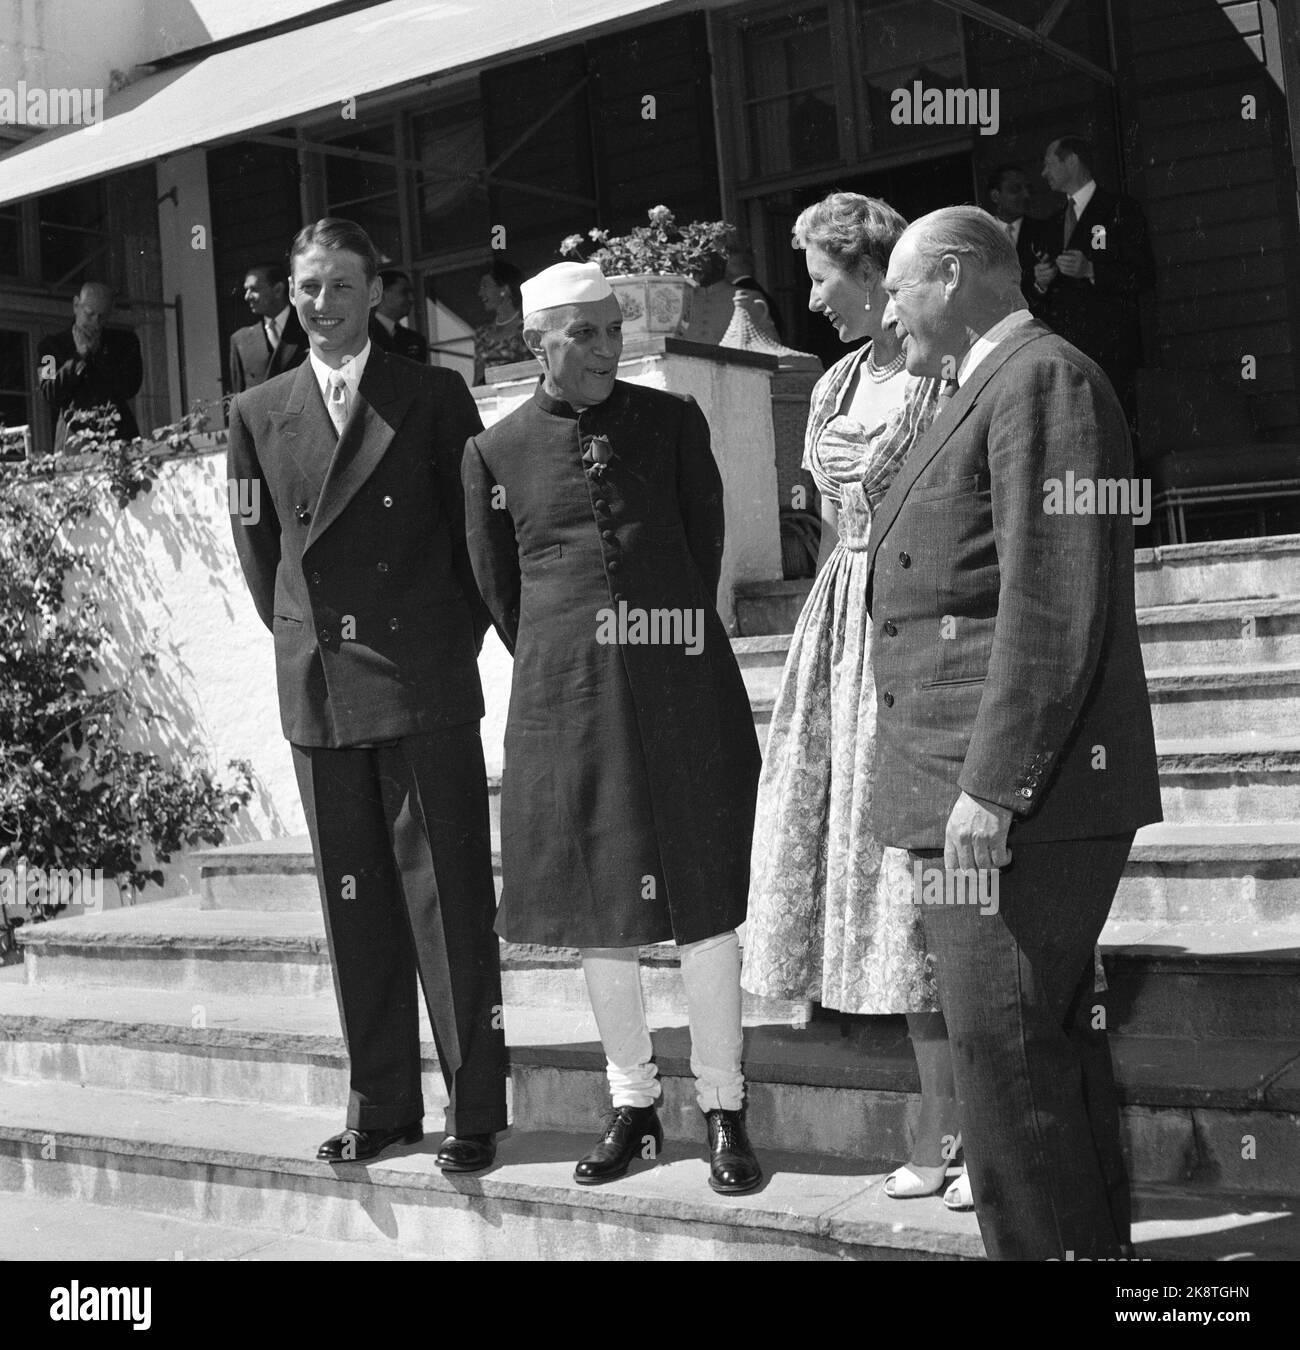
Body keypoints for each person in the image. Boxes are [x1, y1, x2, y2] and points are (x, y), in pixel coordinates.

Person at [874, 205, 1163, 1260]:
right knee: (1030, 1049)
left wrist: (993, 789)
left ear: (953, 275)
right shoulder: (973, 383)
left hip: (1010, 797)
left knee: (1003, 1055)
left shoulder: (1040, 378)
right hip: (968, 781)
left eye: (901, 288)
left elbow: (1053, 598)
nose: (889, 309)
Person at [462, 261, 763, 1195]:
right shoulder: (494, 454)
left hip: (682, 688)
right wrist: (573, 662)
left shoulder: (671, 422)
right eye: (582, 333)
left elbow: (700, 539)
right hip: (572, 704)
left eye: (611, 328)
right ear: (535, 343)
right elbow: (499, 592)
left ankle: (725, 1107)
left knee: (706, 900)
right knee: (604, 912)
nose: (605, 348)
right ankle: (632, 1105)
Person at [226, 218, 507, 1174]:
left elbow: (477, 543)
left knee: (450, 899)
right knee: (355, 908)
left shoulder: (432, 394)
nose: (319, 304)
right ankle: (381, 1103)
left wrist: (444, 643)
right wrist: (310, 642)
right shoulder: (257, 410)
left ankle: (473, 1108)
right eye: (306, 286)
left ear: (376, 292)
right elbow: (260, 555)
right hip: (323, 689)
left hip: (421, 678)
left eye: (341, 286)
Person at [740, 193, 966, 1207]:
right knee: (876, 893)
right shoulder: (834, 379)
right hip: (843, 627)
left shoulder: (943, 368)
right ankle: (940, 1121)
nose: (812, 296)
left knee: (931, 894)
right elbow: (834, 533)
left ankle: (968, 1126)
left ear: (874, 274)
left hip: (921, 623)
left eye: (822, 277)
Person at [1034, 135, 1156, 438]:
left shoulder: (1119, 209)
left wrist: (1091, 269)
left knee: (1116, 432)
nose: (1043, 173)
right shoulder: (1051, 223)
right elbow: (1036, 291)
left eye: (1049, 164)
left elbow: (1144, 275)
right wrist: (1040, 280)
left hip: (1111, 351)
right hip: (1066, 352)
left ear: (1072, 160)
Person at [37, 282, 142, 453]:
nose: (95, 323)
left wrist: (99, 354)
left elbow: (130, 387)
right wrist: (79, 357)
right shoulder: (49, 347)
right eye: (89, 314)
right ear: (76, 305)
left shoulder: (125, 342)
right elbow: (49, 391)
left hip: (118, 433)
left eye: (102, 317)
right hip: (74, 436)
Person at [228, 262, 308, 395]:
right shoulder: (240, 340)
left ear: (278, 290)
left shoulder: (307, 326)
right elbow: (238, 399)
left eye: (254, 289)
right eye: (246, 290)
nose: (247, 297)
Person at [985, 164, 1053, 308]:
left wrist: (1041, 285)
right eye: (1015, 189)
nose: (1026, 195)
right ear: (995, 196)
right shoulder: (982, 235)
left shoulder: (1045, 231)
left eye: (1027, 188)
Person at [472, 258, 530, 385]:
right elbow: (477, 380)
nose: (480, 293)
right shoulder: (482, 334)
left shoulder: (527, 328)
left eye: (485, 286)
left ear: (505, 289)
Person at [368, 267, 429, 364]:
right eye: (404, 292)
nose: (411, 299)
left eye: (411, 293)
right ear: (381, 295)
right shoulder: (362, 334)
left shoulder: (415, 339)